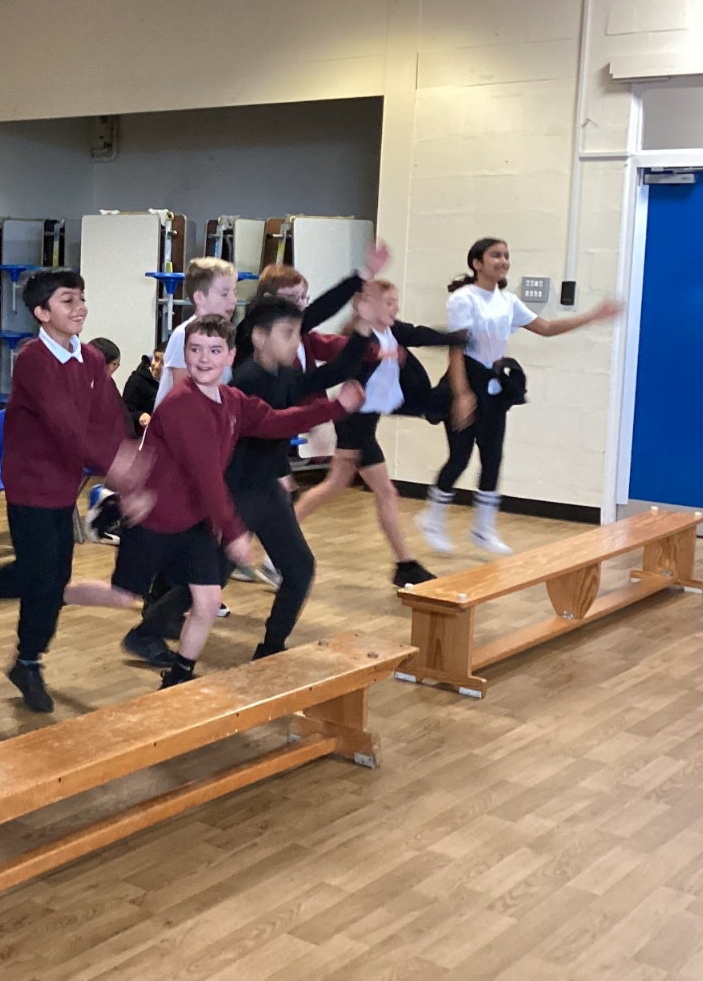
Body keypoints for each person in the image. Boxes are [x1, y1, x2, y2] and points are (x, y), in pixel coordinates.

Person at [65, 316, 361, 686]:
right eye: (195, 350)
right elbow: (206, 477)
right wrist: (234, 532)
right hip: (154, 521)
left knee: (207, 601)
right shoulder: (181, 405)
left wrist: (336, 407)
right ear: (185, 354)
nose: (204, 358)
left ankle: (178, 676)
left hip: (192, 525)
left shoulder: (231, 400)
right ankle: (53, 593)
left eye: (214, 350)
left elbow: (277, 421)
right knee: (121, 597)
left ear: (230, 356)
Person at [0, 267, 143, 713]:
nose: (80, 307)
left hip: (64, 485)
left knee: (51, 577)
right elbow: (66, 425)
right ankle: (21, 653)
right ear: (42, 313)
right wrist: (116, 468)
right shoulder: (32, 359)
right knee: (41, 577)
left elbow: (108, 417)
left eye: (81, 298)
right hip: (29, 484)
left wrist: (126, 457)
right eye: (68, 300)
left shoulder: (91, 358)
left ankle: (19, 650)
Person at [417, 238, 621, 555]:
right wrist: (462, 394)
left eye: (506, 256)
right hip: (465, 380)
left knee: (493, 457)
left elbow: (547, 328)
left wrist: (592, 316)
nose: (503, 261)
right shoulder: (463, 299)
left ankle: (483, 529)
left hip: (494, 384)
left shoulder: (508, 301)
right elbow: (456, 349)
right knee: (460, 457)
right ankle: (432, 519)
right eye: (495, 255)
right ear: (477, 263)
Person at [292, 280, 474, 587]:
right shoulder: (359, 339)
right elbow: (349, 368)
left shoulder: (393, 331)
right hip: (355, 422)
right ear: (369, 307)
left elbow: (421, 335)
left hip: (367, 422)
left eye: (395, 302)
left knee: (337, 487)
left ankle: (404, 564)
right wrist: (381, 355)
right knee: (379, 492)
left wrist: (456, 337)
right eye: (389, 303)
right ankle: (405, 564)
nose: (396, 308)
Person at [239, 242, 391, 587]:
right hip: (246, 443)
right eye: (291, 298)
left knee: (273, 506)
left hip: (269, 441)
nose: (299, 306)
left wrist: (365, 334)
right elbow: (319, 312)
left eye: (302, 298)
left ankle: (251, 562)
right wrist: (362, 276)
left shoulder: (291, 347)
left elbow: (328, 371)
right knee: (254, 506)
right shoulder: (254, 335)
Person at [154, 257, 238, 410]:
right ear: (199, 297)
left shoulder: (224, 334)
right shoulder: (184, 335)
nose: (233, 300)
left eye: (234, 292)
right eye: (224, 294)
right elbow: (183, 394)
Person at [121, 344, 164, 434]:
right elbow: (124, 411)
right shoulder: (137, 380)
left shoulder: (178, 381)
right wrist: (139, 415)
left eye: (164, 363)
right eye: (156, 359)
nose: (157, 366)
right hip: (141, 435)